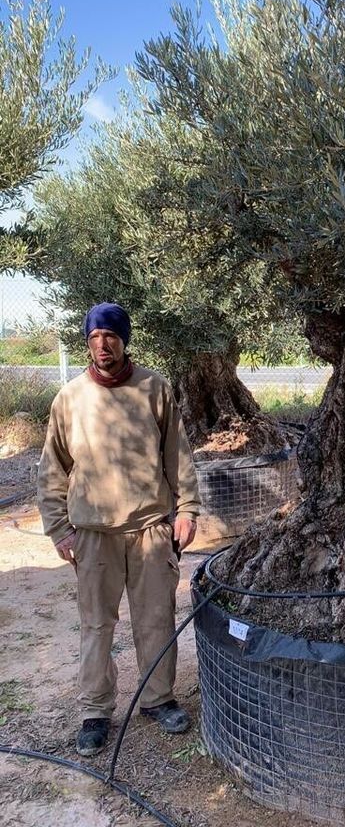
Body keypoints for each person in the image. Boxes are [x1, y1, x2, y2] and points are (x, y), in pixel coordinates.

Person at [37, 303, 201, 757]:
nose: (102, 345)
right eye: (93, 338)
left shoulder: (154, 387)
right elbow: (52, 470)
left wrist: (187, 508)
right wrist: (58, 529)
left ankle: (158, 698)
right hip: (92, 535)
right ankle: (95, 711)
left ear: (123, 339)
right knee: (97, 625)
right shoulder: (69, 398)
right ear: (86, 343)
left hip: (150, 528)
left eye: (109, 336)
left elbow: (178, 456)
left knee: (155, 620)